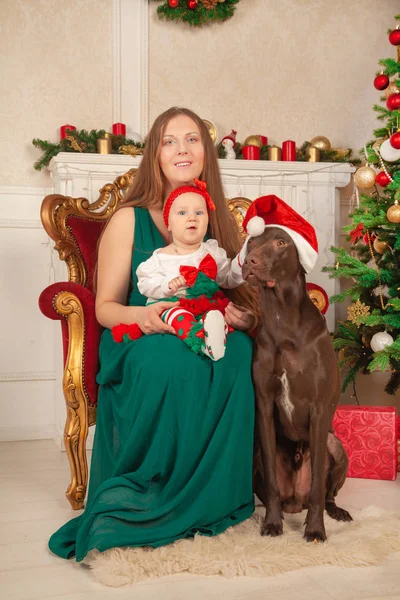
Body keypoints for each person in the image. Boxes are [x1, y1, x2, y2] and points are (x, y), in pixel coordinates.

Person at [48, 107, 258, 562]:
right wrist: (145, 319)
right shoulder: (129, 218)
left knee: (237, 351)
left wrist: (240, 316)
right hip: (137, 334)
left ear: (206, 151)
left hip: (204, 325)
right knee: (172, 359)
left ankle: (216, 496)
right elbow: (104, 308)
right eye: (169, 141)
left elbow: (229, 287)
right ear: (155, 155)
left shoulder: (217, 221)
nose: (182, 149)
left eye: (192, 139)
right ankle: (153, 498)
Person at [113, 179, 248, 361]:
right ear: (168, 222)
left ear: (207, 221)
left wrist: (241, 263)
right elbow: (145, 284)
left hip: (204, 306)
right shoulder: (160, 258)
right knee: (179, 315)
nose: (192, 218)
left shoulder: (212, 252)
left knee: (218, 315)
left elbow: (228, 278)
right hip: (171, 306)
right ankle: (201, 344)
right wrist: (166, 285)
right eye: (182, 212)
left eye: (199, 212)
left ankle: (214, 336)